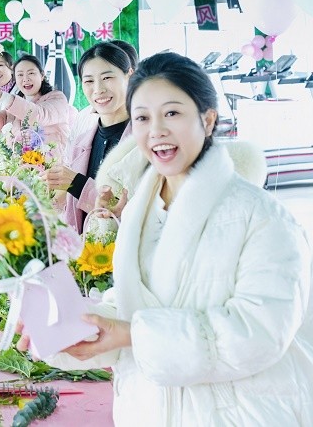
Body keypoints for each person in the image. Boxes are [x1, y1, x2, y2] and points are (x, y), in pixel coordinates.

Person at [20, 52, 313, 425]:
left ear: (208, 119)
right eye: (143, 117)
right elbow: (132, 308)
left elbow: (259, 333)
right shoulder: (140, 211)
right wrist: (71, 326)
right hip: (150, 410)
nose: (156, 130)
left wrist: (133, 335)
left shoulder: (264, 219)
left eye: (172, 113)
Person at [43, 42, 133, 233]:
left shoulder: (143, 141)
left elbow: (139, 210)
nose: (98, 89)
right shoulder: (82, 141)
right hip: (83, 247)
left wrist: (77, 184)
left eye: (107, 78)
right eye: (89, 81)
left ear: (129, 76)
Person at [0, 54, 71, 152]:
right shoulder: (15, 105)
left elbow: (38, 115)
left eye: (31, 73)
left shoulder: (57, 98)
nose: (25, 79)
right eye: (20, 75)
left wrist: (1, 96)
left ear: (42, 75)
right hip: (20, 162)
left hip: (52, 162)